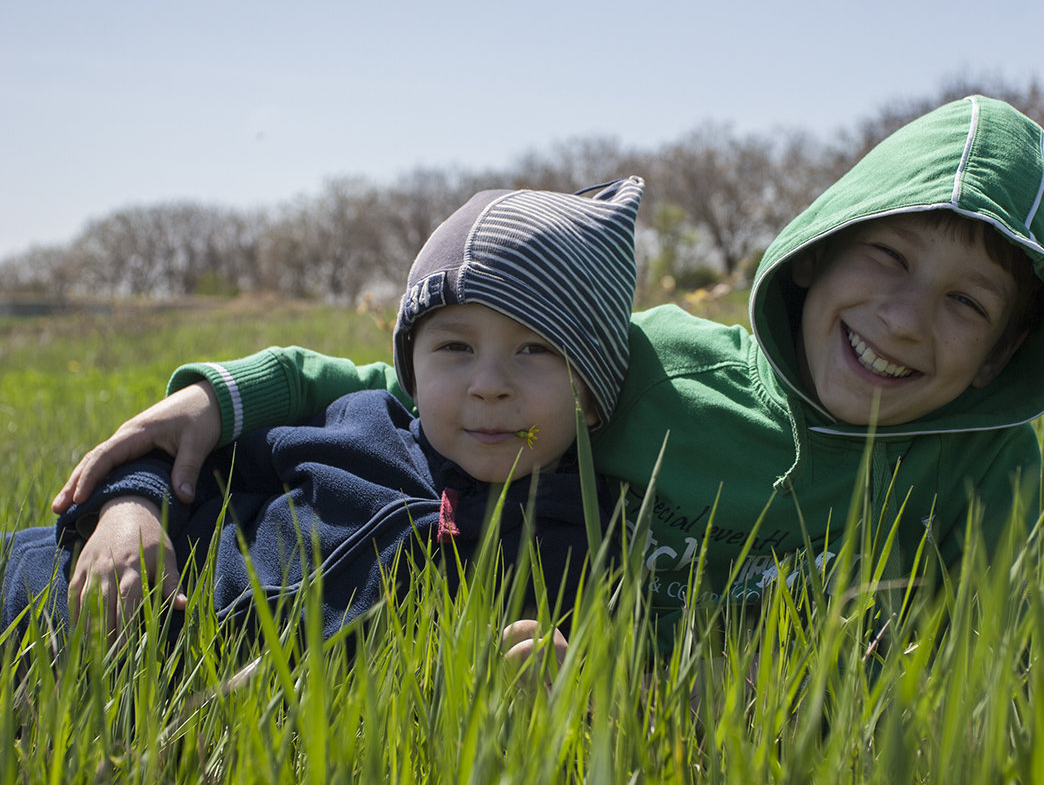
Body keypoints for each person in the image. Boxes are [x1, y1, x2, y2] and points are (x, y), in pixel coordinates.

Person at [54, 95, 1044, 647]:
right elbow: (412, 386)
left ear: (1001, 352)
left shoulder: (983, 466)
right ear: (809, 261)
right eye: (888, 259)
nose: (905, 319)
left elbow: (1005, 653)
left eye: (967, 302)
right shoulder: (664, 367)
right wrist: (208, 401)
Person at [3, 176, 645, 643]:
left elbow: (592, 682)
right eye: (454, 346)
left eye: (534, 348)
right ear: (411, 369)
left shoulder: (588, 539)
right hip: (37, 590)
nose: (488, 385)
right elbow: (187, 457)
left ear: (591, 393)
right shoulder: (360, 426)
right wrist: (128, 510)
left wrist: (562, 680)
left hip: (176, 697)